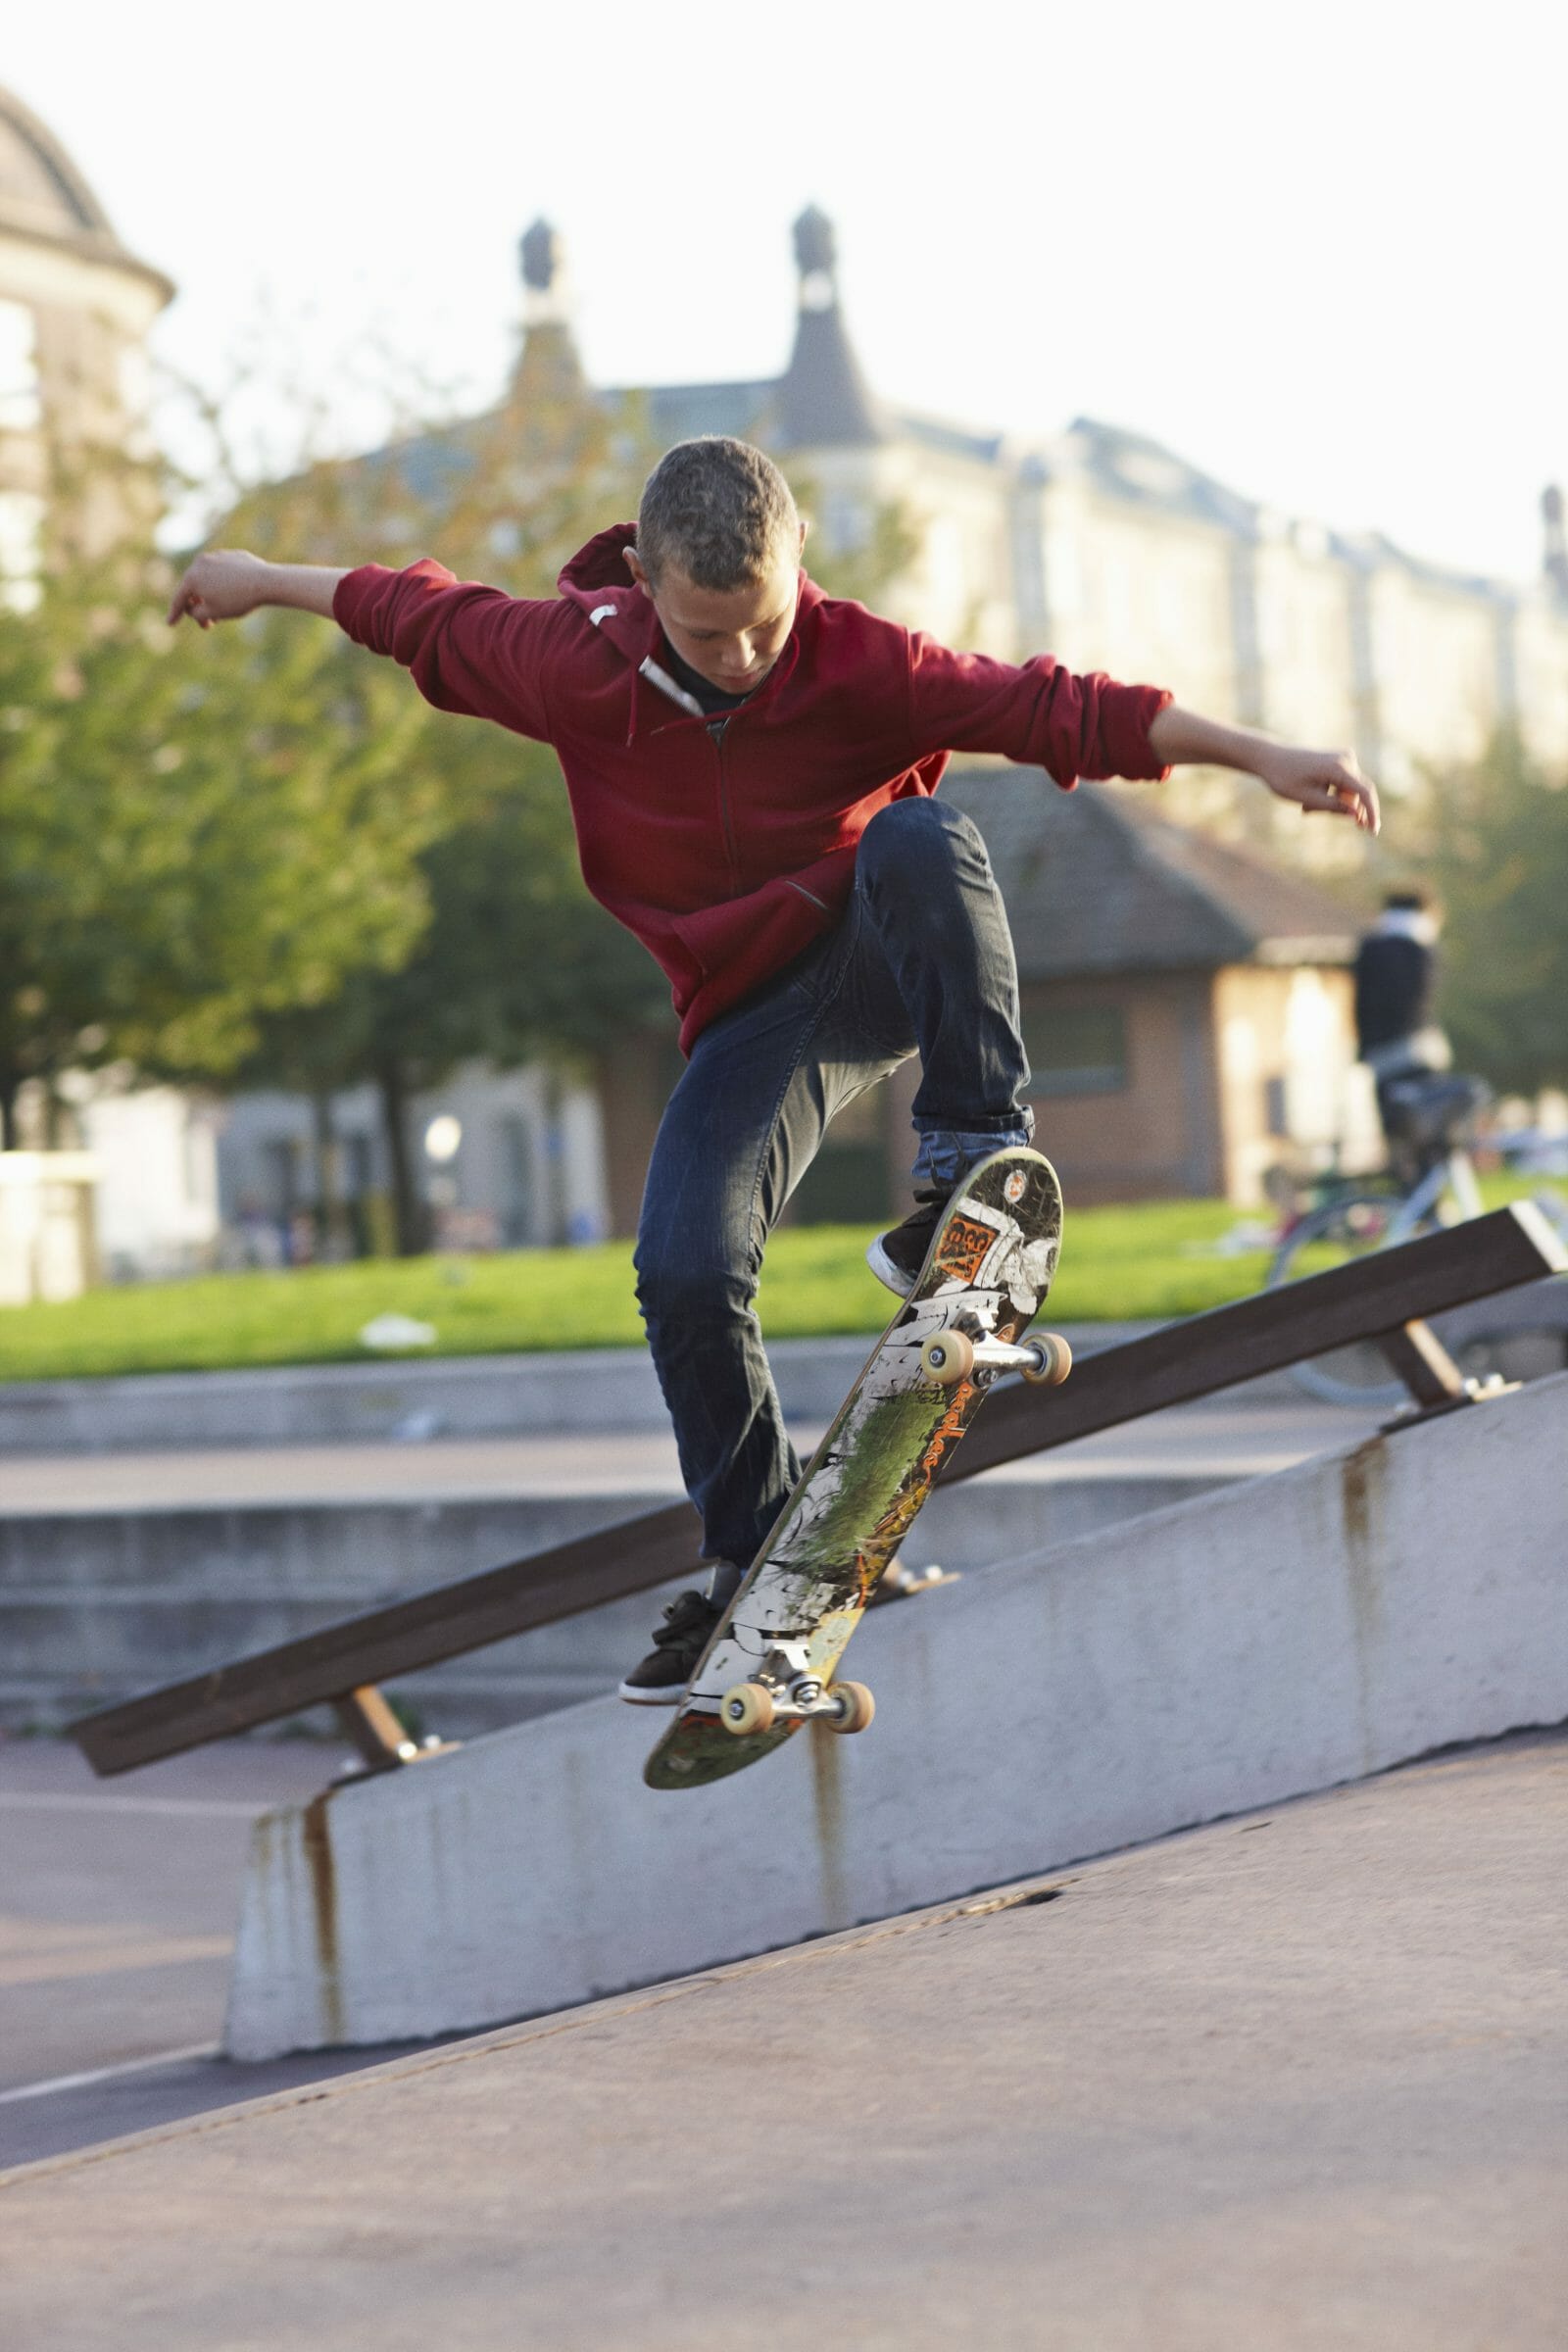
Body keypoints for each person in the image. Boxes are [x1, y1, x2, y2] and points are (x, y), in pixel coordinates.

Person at [169, 436, 1379, 1702]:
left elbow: (1061, 707)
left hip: (866, 948)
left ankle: (972, 1163)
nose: (744, 660)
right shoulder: (569, 661)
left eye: (764, 627)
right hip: (751, 1018)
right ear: (642, 580)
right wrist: (257, 572)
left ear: (799, 558)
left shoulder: (862, 658)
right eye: (705, 637)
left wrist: (1264, 754)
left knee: (923, 833)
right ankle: (758, 1558)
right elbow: (407, 609)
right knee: (682, 1267)